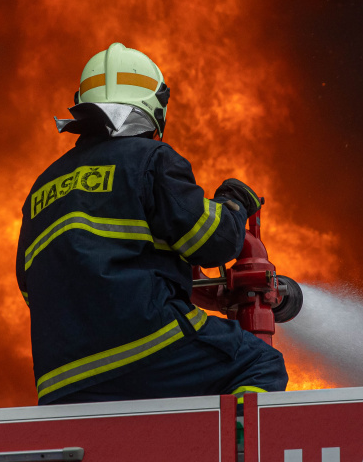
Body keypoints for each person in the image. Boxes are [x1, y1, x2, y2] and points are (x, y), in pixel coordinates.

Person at [16, 42, 288, 405]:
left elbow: (32, 289)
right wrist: (234, 205)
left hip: (62, 379)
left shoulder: (41, 189)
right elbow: (211, 242)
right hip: (146, 348)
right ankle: (236, 455)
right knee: (259, 363)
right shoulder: (150, 159)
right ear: (155, 106)